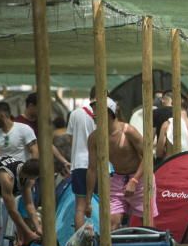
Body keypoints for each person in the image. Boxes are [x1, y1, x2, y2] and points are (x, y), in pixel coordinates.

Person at [86, 99, 156, 228]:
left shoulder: (128, 131)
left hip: (140, 179)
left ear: (110, 113)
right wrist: (88, 200)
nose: (94, 115)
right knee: (112, 222)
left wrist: (134, 180)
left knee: (146, 224)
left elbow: (148, 155)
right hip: (117, 179)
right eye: (93, 112)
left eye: (97, 112)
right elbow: (91, 169)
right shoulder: (94, 138)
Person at [0, 157, 41, 246]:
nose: (34, 181)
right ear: (31, 176)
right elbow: (12, 210)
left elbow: (29, 204)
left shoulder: (27, 177)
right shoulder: (7, 178)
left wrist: (38, 228)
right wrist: (28, 233)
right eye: (35, 178)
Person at [67, 89, 97, 230]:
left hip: (79, 163)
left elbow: (70, 138)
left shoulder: (75, 113)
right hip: (97, 164)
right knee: (102, 202)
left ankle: (80, 240)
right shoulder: (104, 114)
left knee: (80, 206)